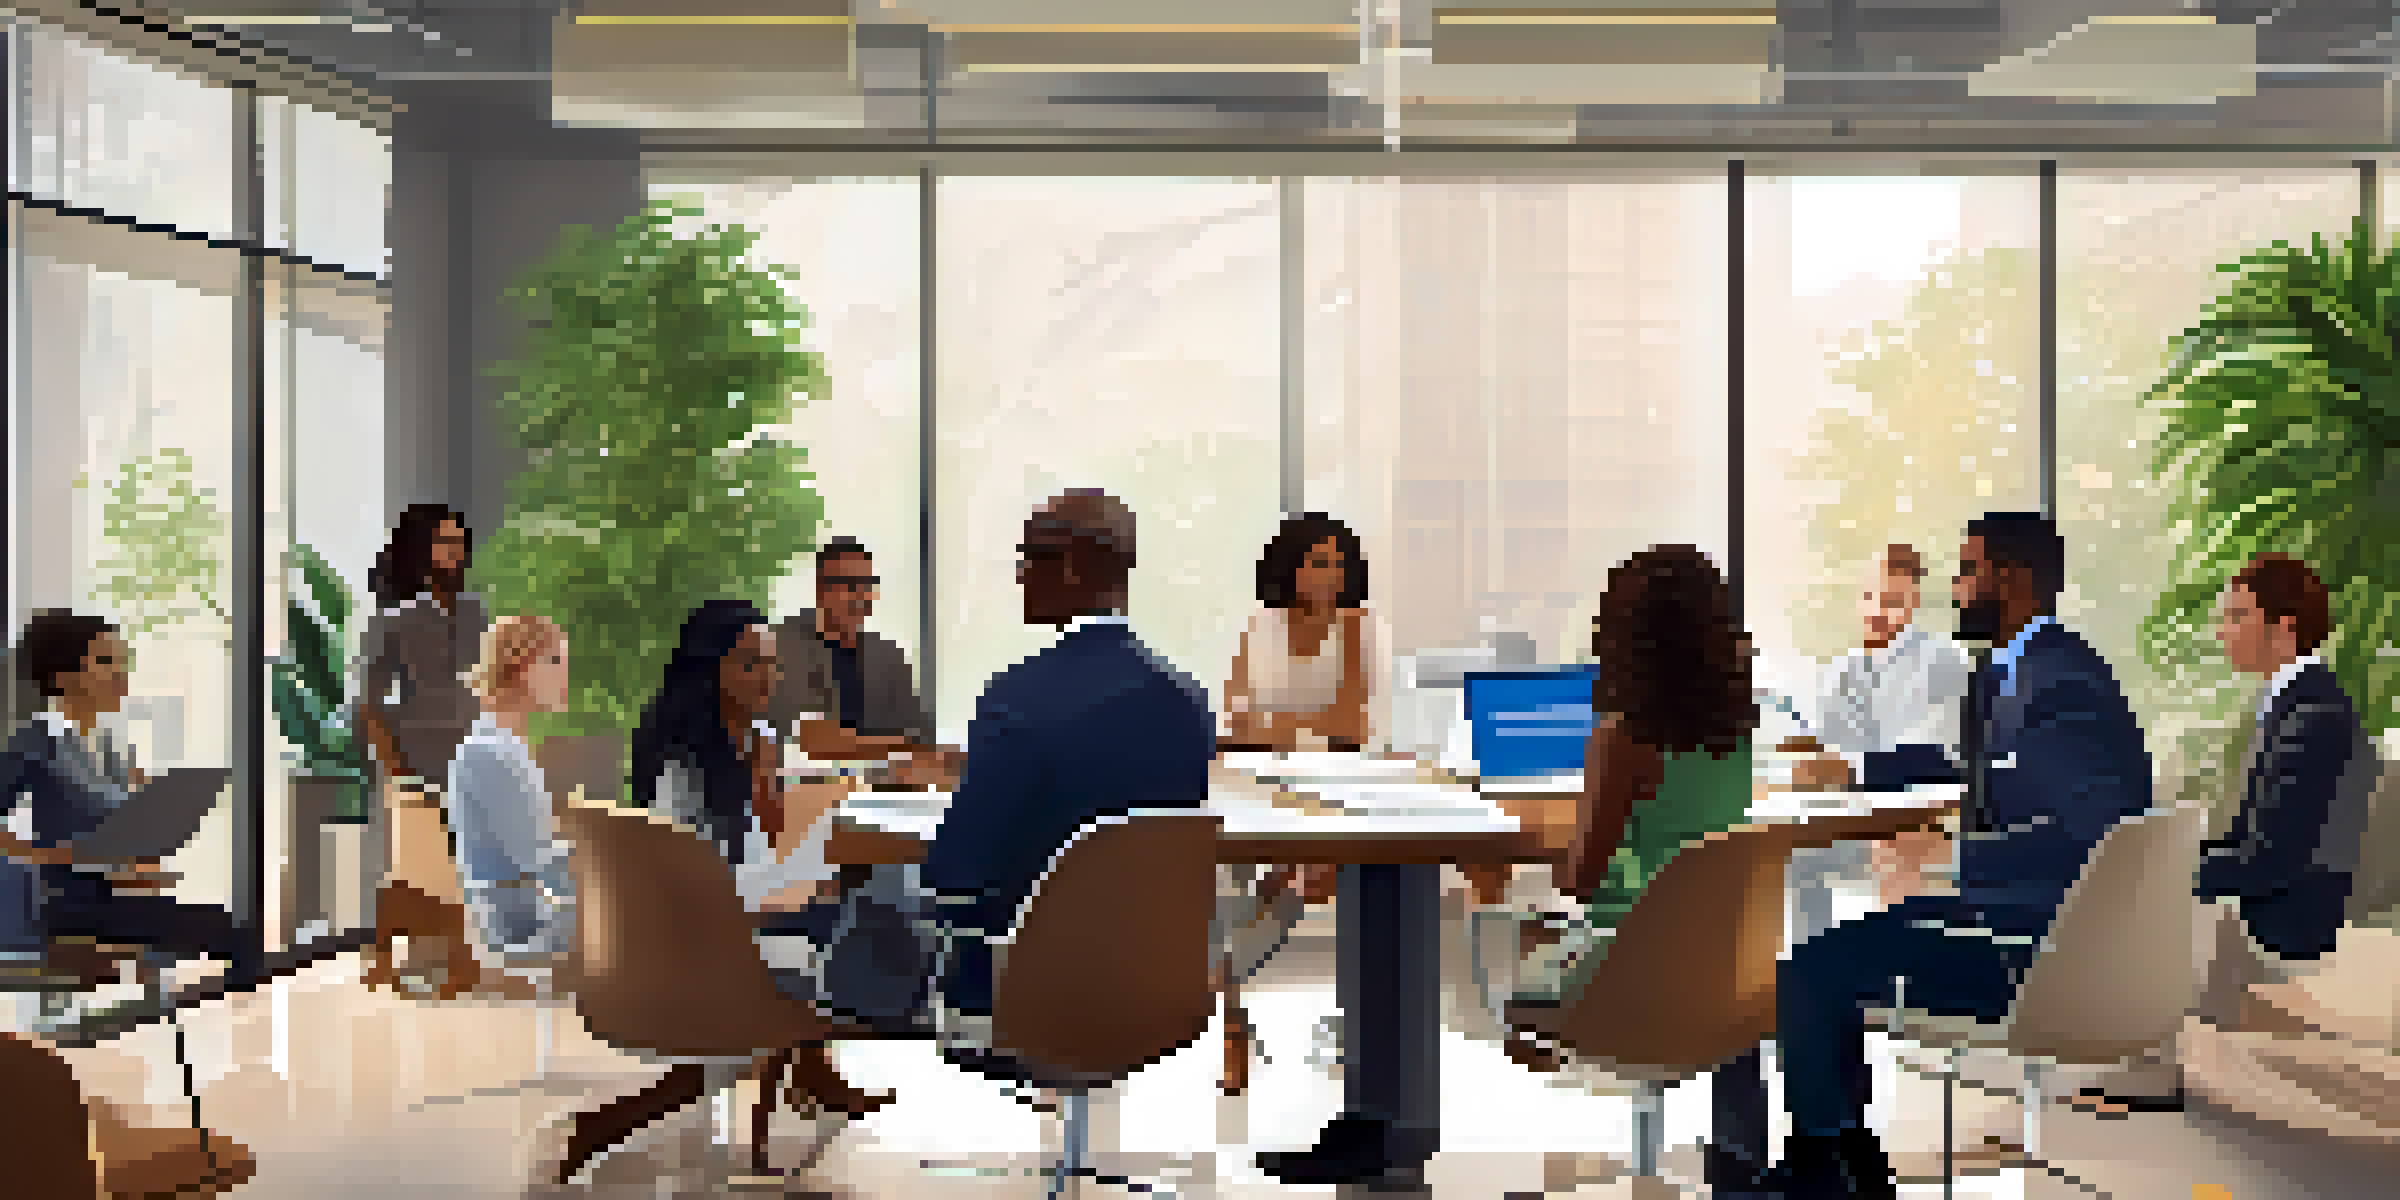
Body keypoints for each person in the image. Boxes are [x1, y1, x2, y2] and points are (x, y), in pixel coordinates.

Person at [1724, 513, 2152, 1199]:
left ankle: (1828, 1172)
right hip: (2015, 921)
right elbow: (1959, 762)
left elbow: (2090, 835)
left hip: (2032, 946)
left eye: (1966, 571)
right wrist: (1852, 770)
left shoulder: (2059, 685)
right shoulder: (2022, 668)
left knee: (1808, 974)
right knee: (1824, 961)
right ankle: (1844, 1161)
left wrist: (1957, 858)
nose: (1954, 589)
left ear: (2008, 579)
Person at [551, 599, 892, 1185]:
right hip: (700, 938)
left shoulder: (752, 742)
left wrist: (797, 854)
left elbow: (756, 856)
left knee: (865, 899)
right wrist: (798, 887)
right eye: (749, 665)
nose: (767, 679)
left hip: (739, 916)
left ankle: (816, 1066)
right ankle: (864, 1036)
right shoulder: (683, 764)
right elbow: (695, 881)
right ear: (709, 670)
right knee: (867, 917)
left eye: (770, 665)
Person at [2067, 552, 2383, 1119]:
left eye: (2237, 616)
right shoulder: (2290, 703)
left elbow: (2272, 860)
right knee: (2147, 882)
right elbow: (2249, 836)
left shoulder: (2313, 716)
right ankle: (2142, 1049)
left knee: (2154, 896)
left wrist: (2166, 872)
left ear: (2283, 629)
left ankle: (2166, 1064)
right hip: (2286, 886)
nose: (2222, 631)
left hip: (2298, 911)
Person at [1486, 547, 1765, 1188]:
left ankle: (1390, 1129)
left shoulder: (1624, 733)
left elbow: (1580, 878)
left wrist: (1527, 841)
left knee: (1504, 912)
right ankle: (1741, 1161)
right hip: (1727, 968)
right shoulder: (1738, 729)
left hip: (1628, 972)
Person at [920, 489, 1215, 1054]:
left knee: (848, 910)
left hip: (1014, 990)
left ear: (1074, 566)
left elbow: (955, 878)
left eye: (1030, 558)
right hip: (1152, 989)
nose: (1021, 576)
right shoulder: (1188, 703)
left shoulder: (1017, 697)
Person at [1214, 512, 1385, 1095]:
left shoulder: (1360, 628)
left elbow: (1357, 726)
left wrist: (1281, 728)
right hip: (1258, 785)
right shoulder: (1259, 628)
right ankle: (1231, 1019)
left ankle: (1225, 991)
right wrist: (1309, 731)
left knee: (1305, 882)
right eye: (1317, 563)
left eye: (1338, 564)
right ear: (1289, 570)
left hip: (1342, 790)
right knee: (1224, 878)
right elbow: (1232, 725)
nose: (1329, 576)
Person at [0, 610, 257, 992]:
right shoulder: (34, 744)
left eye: (123, 662)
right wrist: (55, 856)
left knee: (235, 931)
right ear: (63, 678)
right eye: (105, 662)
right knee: (232, 934)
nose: (121, 675)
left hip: (114, 895)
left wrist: (143, 866)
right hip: (66, 901)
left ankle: (167, 1020)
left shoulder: (117, 750)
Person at [356, 504, 488, 992]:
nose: (454, 553)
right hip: (413, 753)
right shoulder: (394, 617)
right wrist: (393, 767)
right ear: (419, 550)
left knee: (459, 859)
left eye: (459, 543)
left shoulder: (476, 610)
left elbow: (486, 682)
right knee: (410, 862)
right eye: (442, 542)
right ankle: (389, 956)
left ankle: (452, 957)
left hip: (469, 750)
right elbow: (368, 700)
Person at [1805, 544, 1973, 907]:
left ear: (1914, 605)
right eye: (1869, 597)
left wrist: (1850, 769)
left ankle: (1898, 954)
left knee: (1900, 845)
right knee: (1792, 857)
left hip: (1914, 820)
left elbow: (1938, 764)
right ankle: (1806, 959)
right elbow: (1827, 748)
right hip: (1847, 817)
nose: (1876, 611)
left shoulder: (1943, 662)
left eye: (1892, 600)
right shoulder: (1842, 670)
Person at [766, 537, 960, 787]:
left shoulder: (888, 656)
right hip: (802, 790)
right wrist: (897, 748)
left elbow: (919, 738)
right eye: (849, 585)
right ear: (820, 589)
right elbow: (814, 742)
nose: (861, 596)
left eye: (867, 585)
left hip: (885, 793)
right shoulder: (783, 645)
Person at [444, 615, 577, 969]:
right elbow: (537, 860)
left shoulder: (503, 745)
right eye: (554, 661)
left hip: (525, 910)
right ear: (520, 666)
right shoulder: (490, 752)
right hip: (522, 925)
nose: (564, 676)